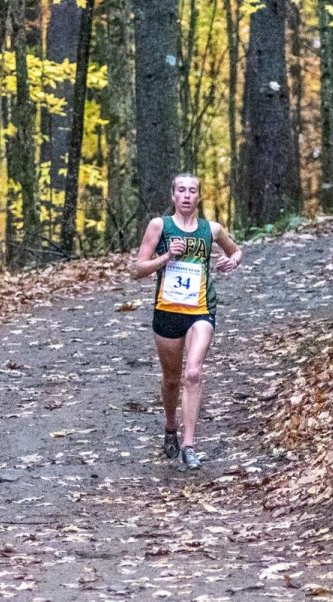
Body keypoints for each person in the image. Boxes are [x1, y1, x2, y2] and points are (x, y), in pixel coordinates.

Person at [133, 173, 242, 470]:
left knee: (193, 373)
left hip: (201, 310)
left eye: (192, 191)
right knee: (171, 379)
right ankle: (171, 429)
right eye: (181, 190)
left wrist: (232, 261)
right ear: (172, 196)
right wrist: (167, 256)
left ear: (199, 197)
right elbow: (138, 269)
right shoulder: (160, 226)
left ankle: (190, 445)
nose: (186, 196)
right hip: (167, 311)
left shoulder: (211, 229)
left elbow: (236, 251)